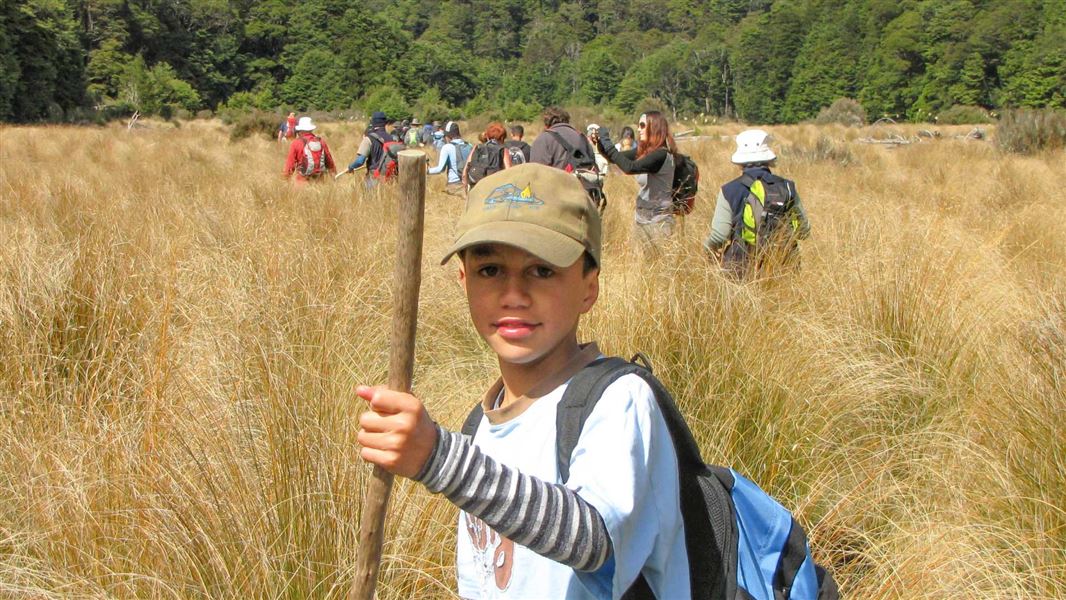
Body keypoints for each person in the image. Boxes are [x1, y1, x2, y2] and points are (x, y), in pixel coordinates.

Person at [356, 163, 689, 598]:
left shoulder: (619, 400)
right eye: (490, 270)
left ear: (589, 287)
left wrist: (436, 457)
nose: (513, 294)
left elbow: (593, 540)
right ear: (464, 280)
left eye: (542, 270)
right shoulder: (481, 425)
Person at [702, 129, 811, 278]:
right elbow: (804, 232)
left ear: (741, 161)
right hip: (785, 268)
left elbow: (719, 236)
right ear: (768, 159)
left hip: (740, 268)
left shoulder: (729, 190)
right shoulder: (787, 187)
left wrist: (706, 250)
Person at [594, 112, 677, 251]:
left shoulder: (661, 155)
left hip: (659, 223)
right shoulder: (646, 152)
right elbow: (615, 158)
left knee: (656, 267)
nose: (638, 129)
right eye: (639, 125)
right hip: (642, 219)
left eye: (642, 125)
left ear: (654, 127)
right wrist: (601, 143)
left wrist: (607, 142)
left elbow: (629, 167)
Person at [531, 106, 605, 211]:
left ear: (546, 123)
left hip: (557, 202)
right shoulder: (582, 137)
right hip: (584, 200)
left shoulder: (544, 139)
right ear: (567, 120)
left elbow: (536, 175)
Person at [344, 111, 396, 188]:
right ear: (385, 123)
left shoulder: (369, 139)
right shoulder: (391, 138)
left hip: (374, 178)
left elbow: (360, 161)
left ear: (373, 123)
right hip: (389, 178)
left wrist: (350, 167)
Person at [283, 116, 337, 184]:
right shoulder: (321, 142)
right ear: (311, 129)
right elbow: (329, 162)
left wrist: (285, 179)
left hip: (302, 182)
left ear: (300, 129)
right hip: (320, 182)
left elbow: (290, 164)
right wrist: (334, 174)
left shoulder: (296, 143)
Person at [463, 122, 513, 190]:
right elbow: (509, 172)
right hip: (493, 188)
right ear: (502, 138)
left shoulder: (477, 147)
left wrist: (466, 188)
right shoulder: (503, 150)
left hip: (475, 186)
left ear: (487, 136)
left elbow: (465, 170)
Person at [427, 123, 472, 196]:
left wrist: (427, 171)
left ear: (448, 135)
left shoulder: (447, 147)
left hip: (454, 184)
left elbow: (440, 169)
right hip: (468, 183)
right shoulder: (469, 145)